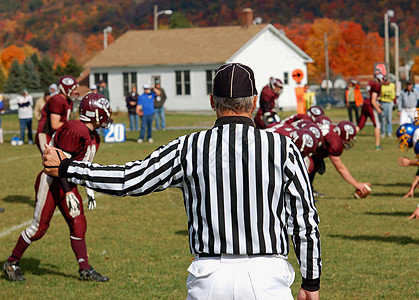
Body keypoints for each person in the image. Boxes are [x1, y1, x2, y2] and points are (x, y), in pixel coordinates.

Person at [42, 63, 321, 300]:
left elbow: (132, 178)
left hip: (210, 278)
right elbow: (304, 219)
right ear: (254, 102)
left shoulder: (188, 146)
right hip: (267, 276)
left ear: (212, 101)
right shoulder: (283, 147)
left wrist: (69, 168)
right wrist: (311, 281)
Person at [3, 93, 111, 282]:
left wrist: (88, 188)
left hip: (68, 182)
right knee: (39, 228)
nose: (107, 114)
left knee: (78, 224)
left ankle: (85, 269)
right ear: (95, 113)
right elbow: (57, 165)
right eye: (104, 111)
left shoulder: (93, 135)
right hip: (52, 181)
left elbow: (81, 167)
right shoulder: (75, 130)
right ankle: (12, 261)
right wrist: (68, 191)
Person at [309, 119, 371, 197]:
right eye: (349, 139)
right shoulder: (335, 142)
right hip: (301, 150)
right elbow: (340, 168)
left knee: (315, 163)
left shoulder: (333, 129)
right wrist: (356, 184)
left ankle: (308, 192)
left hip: (308, 148)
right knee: (309, 166)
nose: (349, 141)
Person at [35, 75, 79, 154]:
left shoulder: (68, 101)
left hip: (56, 134)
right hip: (46, 133)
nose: (76, 91)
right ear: (66, 89)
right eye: (74, 89)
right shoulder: (58, 100)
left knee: (61, 162)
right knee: (51, 161)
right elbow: (55, 124)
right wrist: (74, 124)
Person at [357, 73, 383, 150]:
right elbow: (373, 101)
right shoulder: (376, 85)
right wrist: (379, 110)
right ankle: (377, 146)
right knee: (377, 125)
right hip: (370, 106)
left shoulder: (370, 83)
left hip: (364, 104)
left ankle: (346, 138)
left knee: (360, 126)